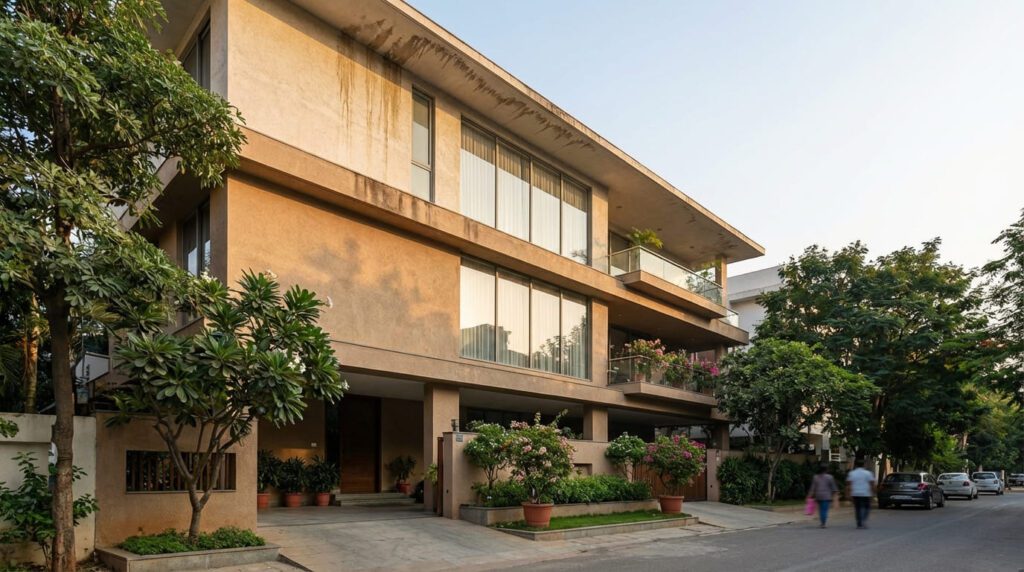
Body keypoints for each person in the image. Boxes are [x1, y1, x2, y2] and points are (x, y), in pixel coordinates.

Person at [846, 458, 876, 529]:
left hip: (855, 493)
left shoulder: (852, 473)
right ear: (864, 465)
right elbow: (872, 484)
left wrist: (848, 494)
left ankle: (859, 523)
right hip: (866, 493)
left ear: (855, 465)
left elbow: (848, 484)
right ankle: (864, 520)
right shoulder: (868, 473)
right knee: (867, 508)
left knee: (857, 508)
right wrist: (873, 492)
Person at [807, 464, 839, 528]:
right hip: (826, 496)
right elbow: (834, 488)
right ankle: (823, 523)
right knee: (824, 510)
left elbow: (812, 488)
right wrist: (835, 498)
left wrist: (809, 496)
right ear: (826, 470)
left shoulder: (815, 477)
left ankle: (822, 523)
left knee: (820, 509)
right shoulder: (830, 477)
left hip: (818, 496)